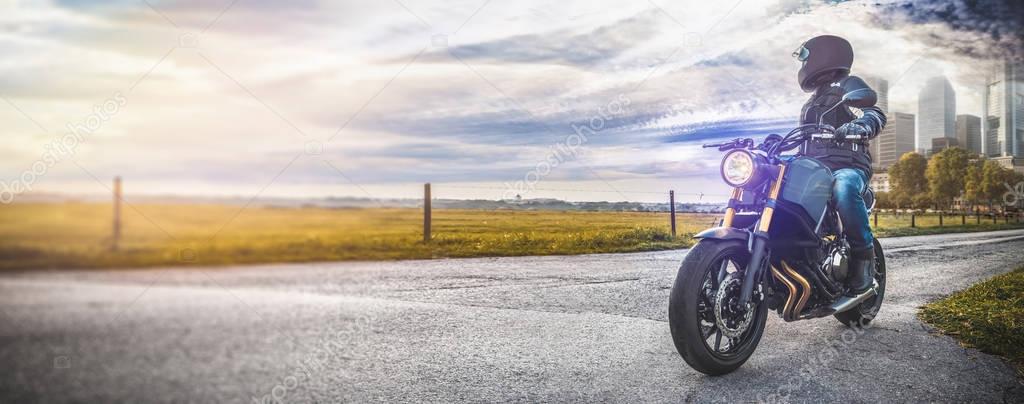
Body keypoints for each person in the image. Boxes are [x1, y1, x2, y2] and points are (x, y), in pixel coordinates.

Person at [792, 35, 886, 296]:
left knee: (843, 187)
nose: (804, 63)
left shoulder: (848, 86)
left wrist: (862, 124)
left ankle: (863, 260)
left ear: (825, 54)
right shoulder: (812, 101)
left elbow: (872, 112)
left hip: (848, 166)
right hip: (814, 170)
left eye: (806, 56)